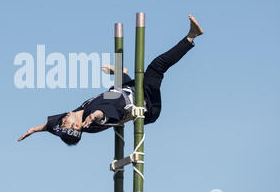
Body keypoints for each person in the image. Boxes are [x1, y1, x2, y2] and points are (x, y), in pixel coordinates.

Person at [18, 14, 204, 146]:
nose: (63, 118)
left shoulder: (75, 114)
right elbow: (102, 113)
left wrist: (34, 130)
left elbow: (52, 125)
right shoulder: (92, 118)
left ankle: (119, 72)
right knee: (157, 66)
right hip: (146, 102)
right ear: (76, 126)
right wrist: (94, 116)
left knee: (113, 89)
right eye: (66, 122)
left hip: (125, 90)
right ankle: (191, 36)